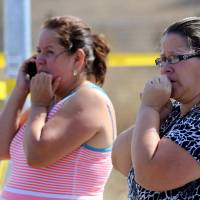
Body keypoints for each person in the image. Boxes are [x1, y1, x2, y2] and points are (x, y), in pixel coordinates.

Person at [0, 15, 116, 200]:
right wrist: (20, 91)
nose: (39, 60)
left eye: (49, 52)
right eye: (38, 51)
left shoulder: (89, 99)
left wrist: (39, 105)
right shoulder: (50, 103)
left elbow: (37, 156)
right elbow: (1, 149)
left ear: (77, 59)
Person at [112, 16, 200, 199]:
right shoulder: (173, 112)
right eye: (162, 59)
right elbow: (120, 158)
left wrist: (149, 108)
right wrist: (154, 117)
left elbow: (149, 173)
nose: (165, 68)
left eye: (175, 58)